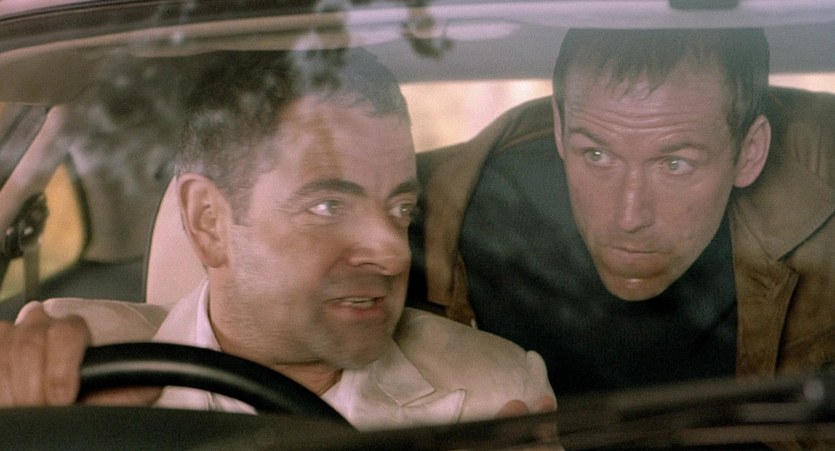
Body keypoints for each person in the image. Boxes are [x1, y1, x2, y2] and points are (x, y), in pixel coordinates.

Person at [0, 49, 555, 432]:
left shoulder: (496, 391)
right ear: (209, 221)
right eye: (328, 206)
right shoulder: (65, 368)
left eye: (401, 209)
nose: (391, 252)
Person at [413, 28, 835, 396]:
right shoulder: (442, 222)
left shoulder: (824, 215)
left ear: (750, 152)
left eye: (675, 164)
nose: (629, 217)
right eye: (597, 155)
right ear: (560, 128)